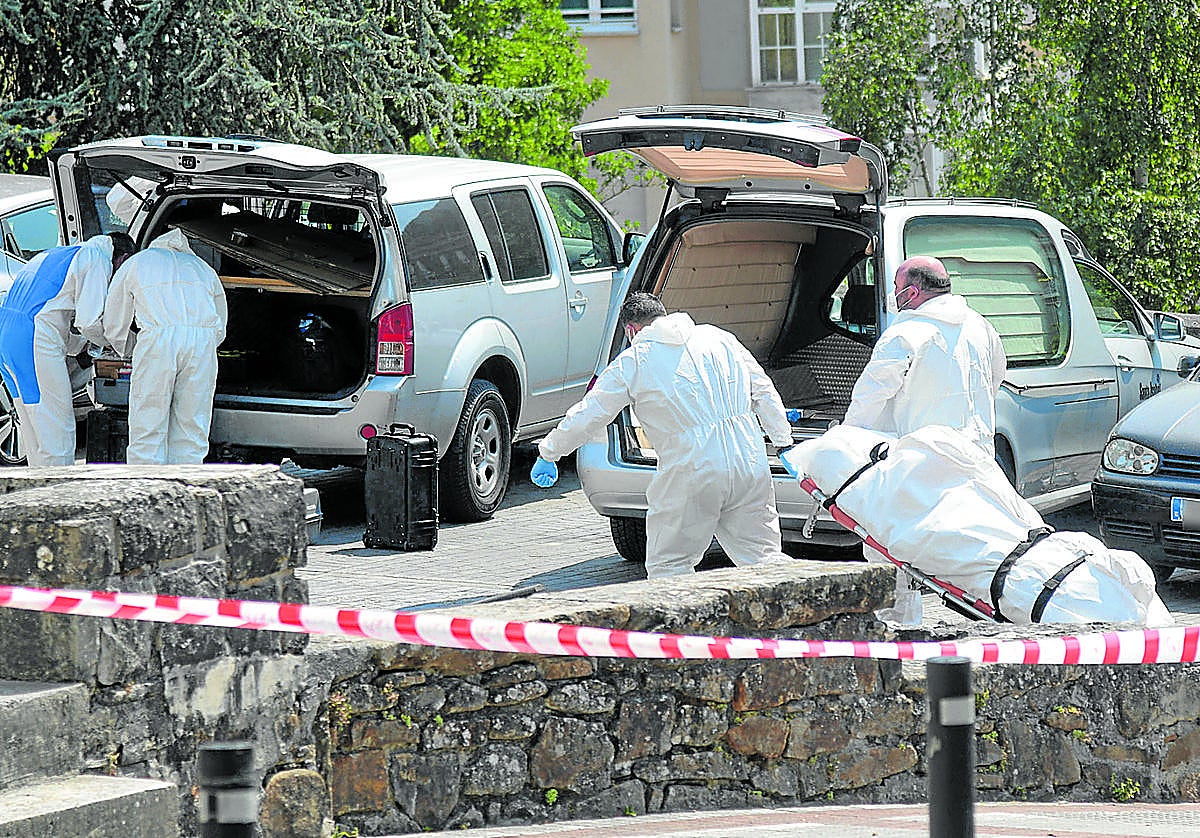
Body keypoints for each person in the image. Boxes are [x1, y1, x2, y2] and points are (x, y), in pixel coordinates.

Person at [530, 292, 794, 579]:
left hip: (691, 470)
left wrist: (549, 452)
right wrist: (783, 441)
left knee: (669, 566)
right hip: (749, 463)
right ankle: (802, 606)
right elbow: (764, 391)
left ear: (631, 330)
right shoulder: (720, 338)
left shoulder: (634, 361)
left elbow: (589, 415)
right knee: (764, 558)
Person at [843, 255, 1007, 456]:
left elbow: (871, 396)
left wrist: (845, 440)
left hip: (923, 460)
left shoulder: (903, 334)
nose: (893, 293)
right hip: (977, 454)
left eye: (896, 286)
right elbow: (996, 375)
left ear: (912, 293)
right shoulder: (980, 325)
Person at [0, 232, 136, 466]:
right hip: (32, 338)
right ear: (122, 260)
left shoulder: (59, 254)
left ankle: (40, 486)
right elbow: (89, 322)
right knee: (57, 428)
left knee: (34, 428)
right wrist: (119, 345)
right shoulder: (96, 259)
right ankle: (60, 487)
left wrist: (81, 345)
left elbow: (49, 314)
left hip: (7, 336)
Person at [104, 227, 227, 465]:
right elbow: (220, 322)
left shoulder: (137, 263)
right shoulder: (203, 268)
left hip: (158, 342)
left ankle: (147, 484)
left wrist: (128, 349)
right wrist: (206, 344)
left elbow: (114, 320)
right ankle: (186, 484)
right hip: (201, 345)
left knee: (148, 423)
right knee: (192, 427)